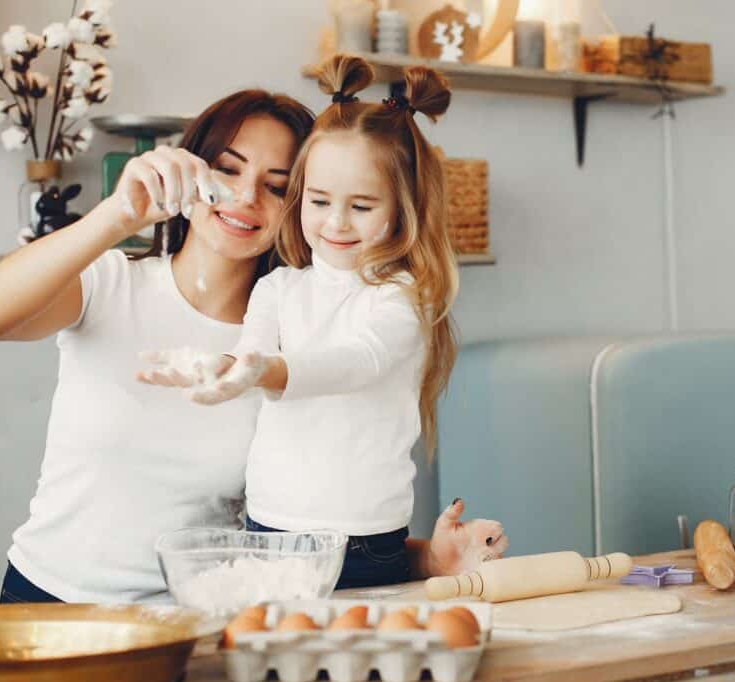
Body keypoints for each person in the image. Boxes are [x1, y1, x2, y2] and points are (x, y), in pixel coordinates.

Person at [0, 86, 506, 604]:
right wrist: (116, 215)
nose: (245, 197)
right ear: (194, 168)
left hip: (190, 621)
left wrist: (425, 559)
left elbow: (303, 534)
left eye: (276, 185)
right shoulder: (113, 284)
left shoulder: (302, 334)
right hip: (51, 604)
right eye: (227, 170)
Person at [139, 55, 508, 589]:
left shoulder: (403, 299)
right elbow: (251, 354)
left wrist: (264, 370)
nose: (335, 222)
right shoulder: (278, 287)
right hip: (267, 529)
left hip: (363, 541)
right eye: (318, 200)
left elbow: (355, 364)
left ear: (404, 209)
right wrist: (211, 369)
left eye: (361, 205)